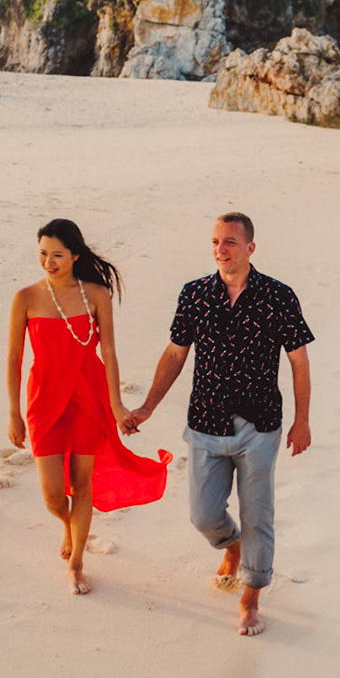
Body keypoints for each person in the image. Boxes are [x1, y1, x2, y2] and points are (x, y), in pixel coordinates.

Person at [124, 212, 312, 636]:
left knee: (257, 513)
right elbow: (175, 354)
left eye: (229, 242)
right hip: (206, 422)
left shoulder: (278, 296)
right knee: (203, 515)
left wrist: (302, 421)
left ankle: (250, 597)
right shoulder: (194, 294)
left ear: (250, 248)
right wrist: (148, 406)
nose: (220, 250)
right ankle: (231, 545)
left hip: (260, 425)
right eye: (214, 242)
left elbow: (298, 361)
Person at [6, 219, 172, 594]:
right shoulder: (26, 298)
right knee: (52, 494)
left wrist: (116, 406)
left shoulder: (96, 294)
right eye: (43, 254)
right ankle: (68, 524)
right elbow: (15, 357)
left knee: (81, 485)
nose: (48, 261)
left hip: (88, 395)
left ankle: (78, 562)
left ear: (75, 255)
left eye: (57, 255)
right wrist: (13, 413)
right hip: (44, 398)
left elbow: (109, 350)